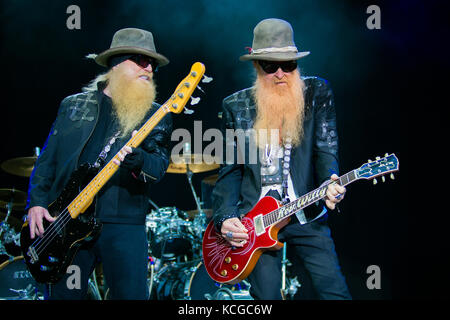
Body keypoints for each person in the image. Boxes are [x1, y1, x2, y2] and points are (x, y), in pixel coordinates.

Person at [25, 28, 172, 300]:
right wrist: (36, 202)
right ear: (115, 64)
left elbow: (160, 166)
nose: (149, 67)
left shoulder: (156, 115)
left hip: (124, 225)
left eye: (152, 63)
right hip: (66, 222)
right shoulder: (73, 106)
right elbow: (48, 160)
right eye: (140, 60)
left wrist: (138, 160)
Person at [211, 18, 351, 300]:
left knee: (334, 291)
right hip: (257, 222)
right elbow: (230, 170)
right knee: (266, 298)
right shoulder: (235, 106)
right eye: (270, 66)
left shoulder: (316, 93)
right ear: (256, 66)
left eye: (288, 65)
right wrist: (225, 217)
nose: (280, 73)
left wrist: (331, 179)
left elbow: (326, 147)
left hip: (305, 212)